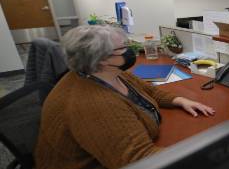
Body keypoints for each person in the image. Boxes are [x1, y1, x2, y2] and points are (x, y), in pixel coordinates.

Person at [35, 25, 215, 169]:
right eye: (123, 48)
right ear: (102, 59)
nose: (131, 52)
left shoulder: (108, 72)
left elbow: (150, 91)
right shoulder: (94, 105)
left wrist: (180, 100)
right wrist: (206, 154)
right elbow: (139, 160)